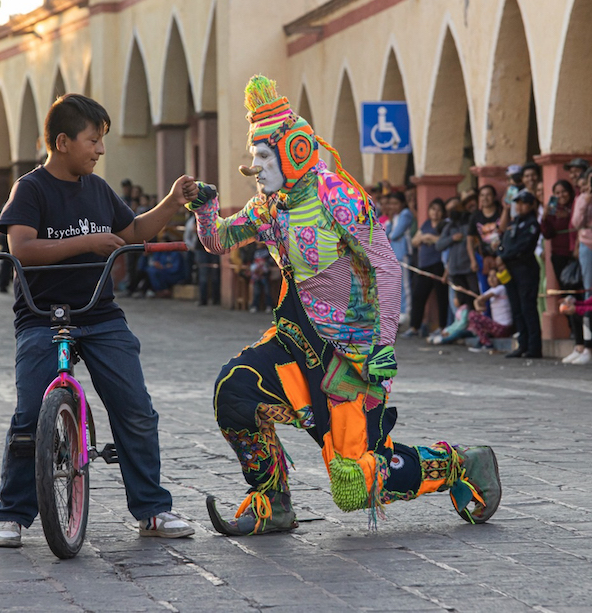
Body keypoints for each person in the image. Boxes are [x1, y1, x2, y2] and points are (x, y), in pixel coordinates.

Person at [188, 75, 501, 535]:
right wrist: (205, 204)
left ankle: (460, 464)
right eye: (253, 156)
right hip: (295, 338)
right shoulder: (269, 205)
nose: (254, 166)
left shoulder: (337, 195)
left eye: (262, 155)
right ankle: (272, 502)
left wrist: (384, 346)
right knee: (234, 391)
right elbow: (217, 239)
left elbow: (386, 268)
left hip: (349, 357)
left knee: (356, 484)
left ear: (295, 149)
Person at [0, 93, 197, 548]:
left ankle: (153, 510)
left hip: (100, 316)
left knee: (136, 411)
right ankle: (12, 516)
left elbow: (134, 232)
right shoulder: (30, 189)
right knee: (28, 417)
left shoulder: (98, 189)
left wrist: (171, 201)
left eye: (101, 141)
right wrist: (86, 243)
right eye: (93, 140)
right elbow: (20, 248)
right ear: (63, 142)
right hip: (42, 318)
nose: (100, 150)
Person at [498, 189, 542, 358]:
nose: (520, 206)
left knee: (527, 307)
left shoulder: (531, 224)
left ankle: (533, 347)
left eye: (524, 203)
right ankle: (522, 344)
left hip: (525, 269)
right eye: (518, 203)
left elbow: (524, 246)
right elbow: (505, 241)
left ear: (531, 205)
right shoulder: (514, 222)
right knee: (516, 308)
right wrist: (500, 254)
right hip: (510, 269)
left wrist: (504, 256)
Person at [404, 198, 449, 338]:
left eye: (438, 210)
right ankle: (414, 327)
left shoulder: (445, 225)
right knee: (418, 295)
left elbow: (443, 241)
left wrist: (430, 237)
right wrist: (425, 238)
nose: (435, 212)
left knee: (442, 297)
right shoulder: (426, 224)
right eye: (433, 209)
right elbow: (415, 241)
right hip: (424, 266)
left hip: (439, 264)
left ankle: (442, 326)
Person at [437, 198, 479, 312]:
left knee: (475, 296)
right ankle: (465, 326)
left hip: (469, 267)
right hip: (455, 270)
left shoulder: (471, 221)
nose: (453, 211)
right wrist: (452, 238)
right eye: (449, 210)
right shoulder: (449, 226)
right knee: (461, 302)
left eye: (455, 208)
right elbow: (439, 245)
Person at [540, 179, 578, 294]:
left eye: (564, 191)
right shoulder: (553, 211)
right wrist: (545, 218)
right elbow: (547, 234)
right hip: (559, 255)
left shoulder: (576, 206)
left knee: (579, 288)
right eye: (557, 193)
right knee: (565, 289)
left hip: (576, 253)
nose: (561, 195)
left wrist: (568, 215)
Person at [384, 191, 415, 325]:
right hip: (395, 255)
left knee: (406, 285)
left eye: (396, 203)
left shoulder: (406, 214)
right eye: (391, 203)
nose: (393, 206)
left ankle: (407, 312)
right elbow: (387, 234)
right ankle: (400, 312)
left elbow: (395, 234)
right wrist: (390, 221)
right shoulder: (395, 217)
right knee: (398, 285)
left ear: (402, 203)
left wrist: (391, 231)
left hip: (404, 254)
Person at [466, 268, 514, 352]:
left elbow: (480, 299)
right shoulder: (492, 290)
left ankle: (487, 344)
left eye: (494, 276)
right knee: (477, 319)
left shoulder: (501, 288)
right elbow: (479, 302)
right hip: (498, 328)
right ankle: (482, 341)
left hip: (502, 328)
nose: (491, 279)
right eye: (489, 276)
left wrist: (478, 307)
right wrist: (480, 307)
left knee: (472, 315)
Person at [470, 184, 503, 291]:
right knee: (486, 290)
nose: (485, 198)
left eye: (488, 195)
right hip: (483, 258)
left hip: (502, 256)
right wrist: (473, 260)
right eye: (482, 195)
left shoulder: (501, 212)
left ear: (494, 197)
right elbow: (469, 240)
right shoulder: (475, 216)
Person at [249, 246, 271, 312]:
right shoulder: (254, 251)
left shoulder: (268, 252)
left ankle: (268, 305)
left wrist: (264, 270)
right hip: (256, 275)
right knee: (256, 291)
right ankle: (255, 305)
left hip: (265, 275)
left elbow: (269, 263)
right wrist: (255, 269)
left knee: (267, 291)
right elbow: (252, 263)